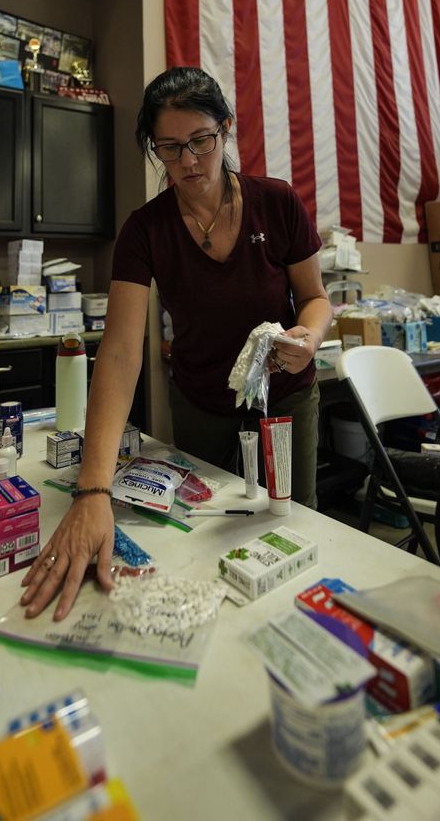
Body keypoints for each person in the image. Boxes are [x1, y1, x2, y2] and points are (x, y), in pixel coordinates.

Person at [21, 66, 332, 621]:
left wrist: (309, 336)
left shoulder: (276, 202)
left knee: (289, 529)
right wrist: (92, 492)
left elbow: (314, 298)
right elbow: (119, 354)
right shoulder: (145, 230)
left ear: (226, 131)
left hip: (283, 398)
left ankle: (289, 622)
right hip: (201, 403)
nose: (188, 160)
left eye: (201, 141)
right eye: (169, 148)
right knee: (205, 535)